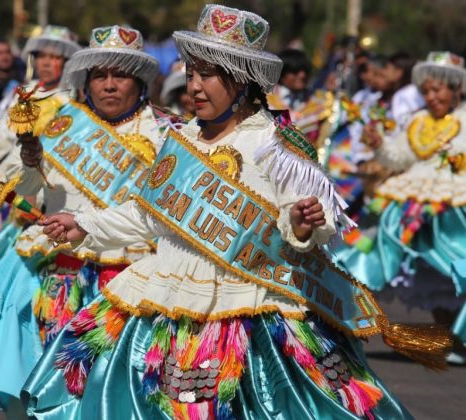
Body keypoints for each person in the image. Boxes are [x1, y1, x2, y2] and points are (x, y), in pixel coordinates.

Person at [24, 5, 438, 418]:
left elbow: (314, 217)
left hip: (252, 297)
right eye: (191, 75)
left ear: (241, 80)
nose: (194, 87)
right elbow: (150, 214)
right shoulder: (183, 137)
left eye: (207, 76)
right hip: (171, 287)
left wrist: (300, 223)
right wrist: (83, 223)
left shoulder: (277, 143)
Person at [0, 25, 165, 413]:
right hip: (55, 274)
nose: (109, 85)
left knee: (107, 394)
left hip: (125, 281)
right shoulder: (62, 122)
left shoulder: (166, 135)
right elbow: (29, 191)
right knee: (41, 382)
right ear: (87, 80)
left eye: (121, 75)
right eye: (100, 75)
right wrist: (28, 165)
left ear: (140, 80)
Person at [337, 51, 466, 364]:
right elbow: (399, 157)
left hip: (453, 202)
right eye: (427, 91)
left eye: (438, 90)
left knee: (455, 267)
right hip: (408, 199)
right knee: (377, 252)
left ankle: (457, 338)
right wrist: (379, 144)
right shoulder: (417, 120)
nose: (431, 97)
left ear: (455, 89)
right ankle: (339, 319)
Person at [0, 25, 81, 275]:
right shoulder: (25, 94)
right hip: (12, 185)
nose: (46, 63)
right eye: (41, 56)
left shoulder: (75, 101)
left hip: (52, 194)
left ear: (68, 61)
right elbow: (4, 134)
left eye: (54, 57)